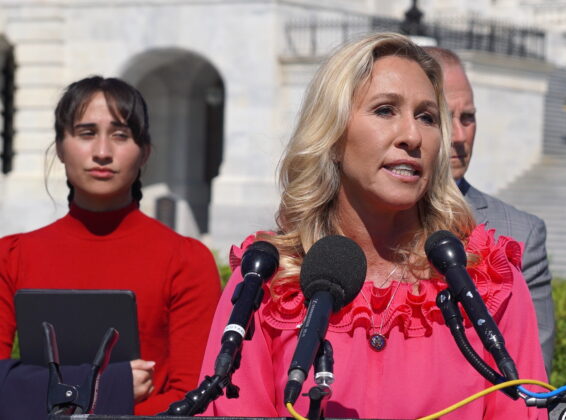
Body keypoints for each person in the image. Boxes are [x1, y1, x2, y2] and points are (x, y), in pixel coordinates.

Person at [199, 33, 547, 419]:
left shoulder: (488, 280)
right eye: (385, 110)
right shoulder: (265, 279)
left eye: (427, 117)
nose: (412, 136)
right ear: (331, 132)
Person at [0, 76, 221, 416]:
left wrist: (52, 397)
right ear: (60, 147)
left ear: (144, 151)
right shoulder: (11, 257)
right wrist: (108, 387)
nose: (102, 152)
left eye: (120, 135)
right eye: (86, 133)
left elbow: (194, 397)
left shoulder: (186, 260)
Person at [424, 46, 556, 373]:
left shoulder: (520, 234)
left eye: (467, 118)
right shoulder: (359, 224)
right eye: (442, 117)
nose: (459, 136)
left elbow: (530, 379)